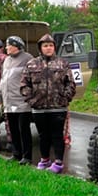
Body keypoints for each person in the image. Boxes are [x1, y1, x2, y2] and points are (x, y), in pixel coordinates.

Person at [20, 33, 76, 173]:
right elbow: (24, 84)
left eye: (51, 45)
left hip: (58, 107)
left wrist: (65, 98)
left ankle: (58, 163)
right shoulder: (31, 64)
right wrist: (31, 99)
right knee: (43, 136)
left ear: (54, 47)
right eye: (45, 46)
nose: (48, 48)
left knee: (57, 135)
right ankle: (44, 160)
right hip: (39, 108)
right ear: (40, 48)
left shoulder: (63, 63)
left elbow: (71, 83)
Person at [0, 35, 33, 165]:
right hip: (8, 101)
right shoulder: (6, 60)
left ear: (16, 46)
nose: (6, 48)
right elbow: (3, 80)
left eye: (8, 45)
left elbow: (33, 79)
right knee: (13, 130)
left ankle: (27, 156)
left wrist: (29, 96)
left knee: (23, 129)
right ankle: (16, 154)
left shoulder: (28, 59)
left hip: (22, 102)